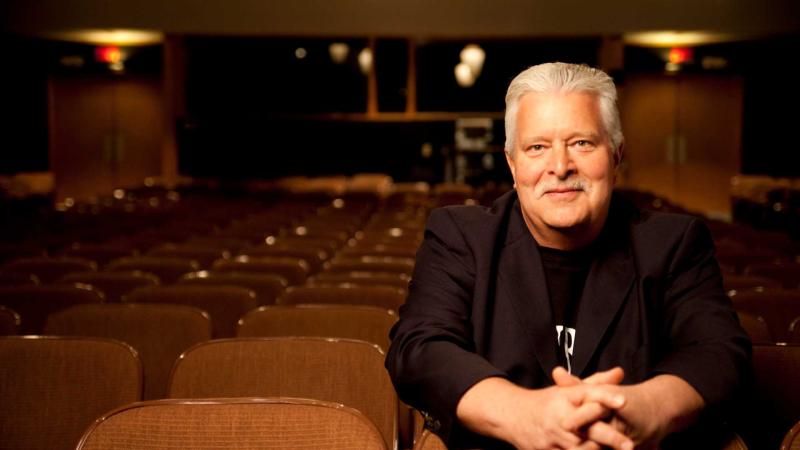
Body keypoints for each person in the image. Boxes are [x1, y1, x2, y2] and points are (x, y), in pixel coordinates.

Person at [385, 62, 751, 450]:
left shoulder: (675, 243)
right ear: (512, 163)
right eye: (537, 147)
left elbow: (721, 352)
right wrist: (523, 414)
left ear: (616, 155)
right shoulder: (460, 235)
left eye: (582, 143)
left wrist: (644, 408)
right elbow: (418, 348)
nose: (560, 167)